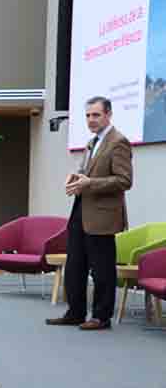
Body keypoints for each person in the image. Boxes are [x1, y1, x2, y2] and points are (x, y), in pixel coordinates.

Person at [47, 96, 133, 330]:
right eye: (87, 115)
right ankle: (75, 312)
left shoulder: (119, 142)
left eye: (96, 115)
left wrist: (89, 184)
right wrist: (75, 177)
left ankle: (100, 317)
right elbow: (87, 172)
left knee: (102, 269)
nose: (91, 120)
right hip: (80, 212)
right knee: (75, 266)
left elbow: (124, 180)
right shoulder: (91, 142)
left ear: (108, 115)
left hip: (103, 217)